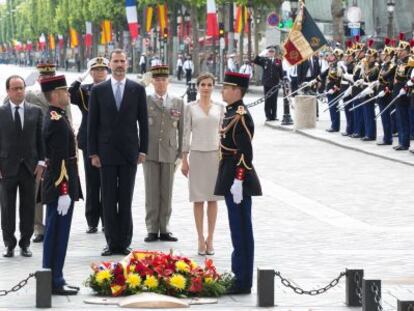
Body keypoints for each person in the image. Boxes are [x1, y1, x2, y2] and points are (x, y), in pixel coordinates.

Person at [88, 49, 148, 256]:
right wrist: (93, 153)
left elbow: (143, 123)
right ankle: (111, 242)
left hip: (130, 152)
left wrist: (144, 150)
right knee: (108, 197)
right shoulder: (98, 90)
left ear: (128, 64)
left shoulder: (137, 89)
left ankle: (124, 242)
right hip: (105, 153)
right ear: (110, 65)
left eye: (123, 61)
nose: (119, 64)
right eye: (116, 61)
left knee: (125, 198)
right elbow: (92, 125)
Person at [214, 72, 262, 295]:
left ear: (236, 90)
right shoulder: (232, 112)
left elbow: (245, 152)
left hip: (237, 177)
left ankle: (243, 280)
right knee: (236, 228)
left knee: (242, 228)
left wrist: (239, 181)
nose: (222, 90)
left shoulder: (240, 115)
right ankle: (238, 274)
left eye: (226, 87)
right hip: (229, 172)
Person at [40, 75, 82, 295]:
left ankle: (56, 276)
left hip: (60, 185)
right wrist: (64, 191)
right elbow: (58, 160)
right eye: (65, 91)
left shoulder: (58, 115)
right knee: (57, 233)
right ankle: (53, 279)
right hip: (59, 187)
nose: (68, 94)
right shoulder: (56, 121)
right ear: (55, 94)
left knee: (57, 232)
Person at [24, 64, 72, 243]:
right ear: (38, 78)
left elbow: (68, 120)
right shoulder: (31, 94)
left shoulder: (60, 94)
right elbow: (8, 101)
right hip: (37, 148)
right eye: (44, 75)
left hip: (56, 148)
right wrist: (25, 85)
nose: (47, 78)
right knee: (38, 188)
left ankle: (51, 224)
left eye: (50, 74)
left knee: (55, 185)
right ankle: (39, 227)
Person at [0, 75, 45, 258]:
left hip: (30, 168)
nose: (19, 91)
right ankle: (9, 244)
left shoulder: (35, 111)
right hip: (6, 168)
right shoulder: (1, 112)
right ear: (8, 91)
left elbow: (40, 140)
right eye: (15, 88)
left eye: (21, 88)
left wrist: (41, 163)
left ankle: (25, 243)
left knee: (28, 208)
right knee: (7, 208)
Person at [181, 72, 224, 255]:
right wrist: (184, 159)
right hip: (197, 155)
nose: (206, 88)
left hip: (215, 156)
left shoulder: (220, 108)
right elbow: (185, 133)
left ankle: (211, 238)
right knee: (198, 199)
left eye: (209, 84)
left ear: (213, 87)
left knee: (213, 199)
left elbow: (223, 134)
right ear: (197, 87)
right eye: (203, 85)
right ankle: (200, 238)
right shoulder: (190, 108)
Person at [143, 65, 183, 243]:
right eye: (157, 79)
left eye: (163, 79)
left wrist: (181, 152)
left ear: (169, 81)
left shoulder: (177, 102)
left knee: (167, 191)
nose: (160, 83)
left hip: (169, 151)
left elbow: (182, 129)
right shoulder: (145, 100)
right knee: (152, 191)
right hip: (150, 152)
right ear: (152, 81)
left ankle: (165, 228)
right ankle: (152, 228)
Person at [69, 57, 109, 234]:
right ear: (91, 72)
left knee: (108, 182)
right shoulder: (85, 91)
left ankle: (107, 219)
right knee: (92, 182)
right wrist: (81, 77)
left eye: (102, 69)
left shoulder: (111, 89)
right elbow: (70, 94)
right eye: (95, 69)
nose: (99, 72)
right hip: (89, 141)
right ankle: (92, 220)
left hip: (108, 142)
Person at [253, 46, 283, 121]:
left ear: (274, 53)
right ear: (267, 52)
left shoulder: (278, 61)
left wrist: (283, 80)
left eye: (272, 51)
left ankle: (274, 116)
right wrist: (261, 54)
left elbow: (281, 72)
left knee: (274, 100)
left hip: (275, 83)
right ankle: (268, 116)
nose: (271, 53)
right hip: (267, 83)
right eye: (270, 51)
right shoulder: (264, 60)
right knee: (267, 100)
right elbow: (255, 61)